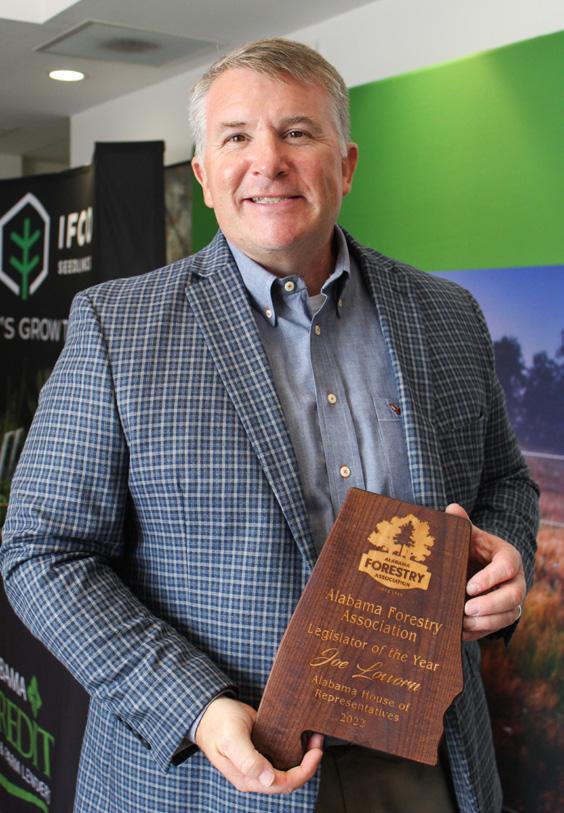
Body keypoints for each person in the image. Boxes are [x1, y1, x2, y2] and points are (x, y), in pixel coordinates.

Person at [0, 38, 538, 813]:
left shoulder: (447, 315)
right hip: (204, 778)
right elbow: (41, 551)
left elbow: (505, 482)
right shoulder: (119, 329)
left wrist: (506, 557)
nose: (268, 162)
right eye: (236, 137)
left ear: (346, 164)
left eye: (297, 132)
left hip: (424, 764)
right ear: (204, 174)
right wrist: (195, 704)